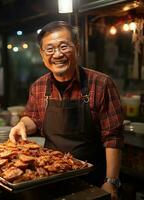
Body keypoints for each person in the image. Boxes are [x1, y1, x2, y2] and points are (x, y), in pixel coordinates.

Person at [9, 21, 124, 200]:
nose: (57, 54)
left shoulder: (101, 83)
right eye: (50, 49)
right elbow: (34, 119)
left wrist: (112, 181)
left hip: (92, 178)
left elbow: (113, 137)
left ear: (76, 48)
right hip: (48, 175)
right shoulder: (38, 86)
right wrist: (22, 124)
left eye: (64, 46)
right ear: (42, 54)